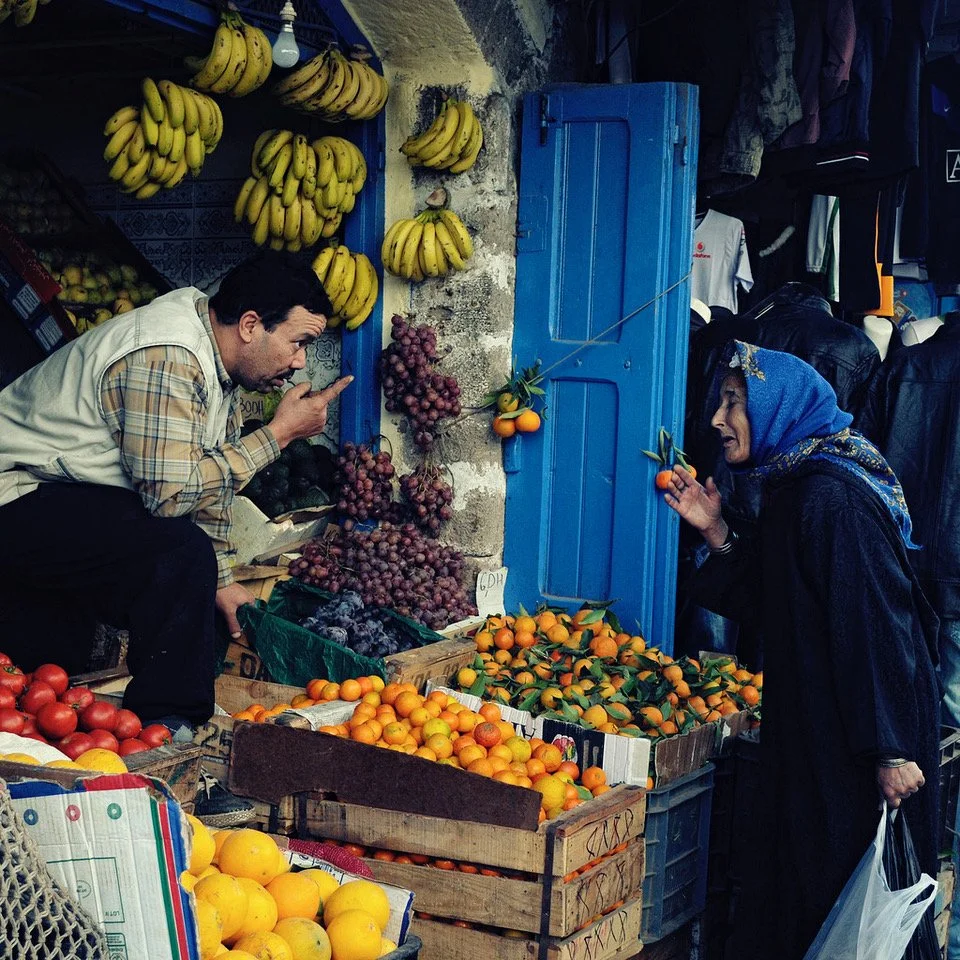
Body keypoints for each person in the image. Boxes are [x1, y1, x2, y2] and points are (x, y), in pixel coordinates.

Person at [0, 250, 352, 735]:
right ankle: (170, 726)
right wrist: (279, 434)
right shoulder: (167, 355)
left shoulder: (218, 364)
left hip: (62, 495)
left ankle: (72, 712)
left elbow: (207, 484)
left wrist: (222, 578)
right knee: (178, 551)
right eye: (298, 343)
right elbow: (169, 496)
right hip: (15, 491)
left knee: (187, 563)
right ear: (250, 325)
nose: (300, 362)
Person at [665, 340, 940, 958]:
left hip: (859, 744)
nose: (717, 418)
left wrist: (889, 749)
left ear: (780, 407)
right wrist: (716, 529)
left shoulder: (831, 499)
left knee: (849, 896)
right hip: (827, 729)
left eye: (734, 402)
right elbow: (779, 596)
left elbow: (874, 624)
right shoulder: (797, 484)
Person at [856, 313, 960, 960]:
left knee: (917, 746)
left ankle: (910, 904)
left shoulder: (911, 365)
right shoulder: (909, 366)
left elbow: (869, 462)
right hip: (940, 587)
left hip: (911, 582)